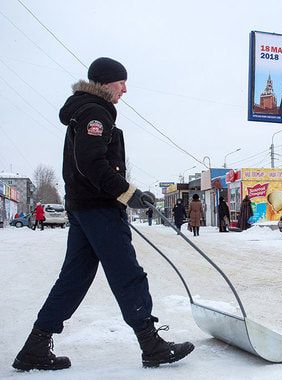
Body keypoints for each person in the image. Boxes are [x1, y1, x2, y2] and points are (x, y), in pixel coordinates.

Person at [12, 57, 193, 372]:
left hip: (85, 208)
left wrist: (131, 191)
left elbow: (91, 165)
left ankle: (35, 347)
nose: (125, 88)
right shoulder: (95, 111)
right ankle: (151, 345)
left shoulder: (85, 111)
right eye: (121, 82)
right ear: (105, 82)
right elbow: (92, 164)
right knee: (127, 274)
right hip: (99, 209)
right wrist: (127, 194)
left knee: (74, 279)